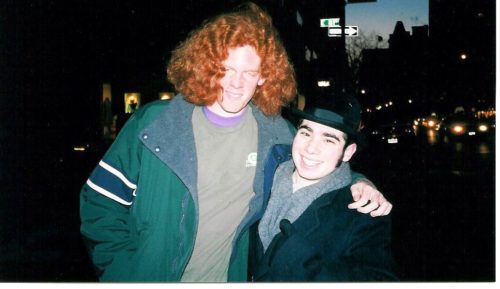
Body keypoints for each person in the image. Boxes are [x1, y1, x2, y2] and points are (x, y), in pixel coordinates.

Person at [79, 2, 392, 282]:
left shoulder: (277, 133)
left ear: (265, 76)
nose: (236, 83)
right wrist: (122, 273)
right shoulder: (155, 123)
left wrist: (358, 181)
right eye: (225, 69)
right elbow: (99, 204)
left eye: (249, 72)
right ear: (208, 67)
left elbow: (314, 162)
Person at [250, 95, 398, 281]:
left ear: (347, 152)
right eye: (306, 133)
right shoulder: (270, 173)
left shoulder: (363, 212)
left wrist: (300, 261)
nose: (311, 148)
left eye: (329, 140)